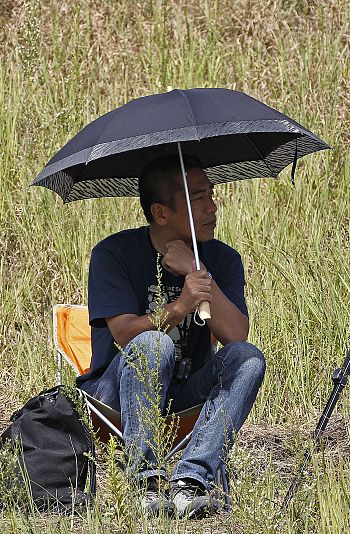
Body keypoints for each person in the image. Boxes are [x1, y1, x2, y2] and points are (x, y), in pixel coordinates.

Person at [76, 154, 266, 518]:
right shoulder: (113, 254)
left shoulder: (221, 259)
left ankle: (190, 481)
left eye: (211, 194)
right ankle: (145, 485)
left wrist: (197, 269)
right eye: (199, 198)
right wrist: (179, 307)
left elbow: (236, 335)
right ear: (161, 213)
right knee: (153, 343)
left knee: (249, 358)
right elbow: (124, 334)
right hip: (114, 395)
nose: (212, 207)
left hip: (184, 395)